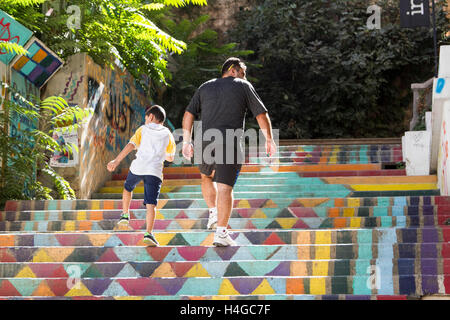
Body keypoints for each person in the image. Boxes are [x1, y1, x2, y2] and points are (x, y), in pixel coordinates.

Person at [182, 57, 277, 247]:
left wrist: (186, 141)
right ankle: (221, 233)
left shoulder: (205, 86)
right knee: (225, 187)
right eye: (243, 72)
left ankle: (213, 212)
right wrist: (269, 139)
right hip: (230, 140)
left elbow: (188, 113)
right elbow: (261, 114)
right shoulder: (242, 85)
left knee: (206, 177)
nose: (245, 76)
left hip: (205, 139)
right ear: (233, 70)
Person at [107, 105, 176, 246]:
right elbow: (170, 158)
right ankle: (149, 233)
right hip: (155, 171)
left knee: (128, 188)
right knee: (151, 204)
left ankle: (125, 214)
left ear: (150, 117)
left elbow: (130, 145)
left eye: (146, 118)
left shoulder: (143, 129)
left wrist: (116, 160)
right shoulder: (168, 134)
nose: (145, 120)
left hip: (139, 167)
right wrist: (160, 152)